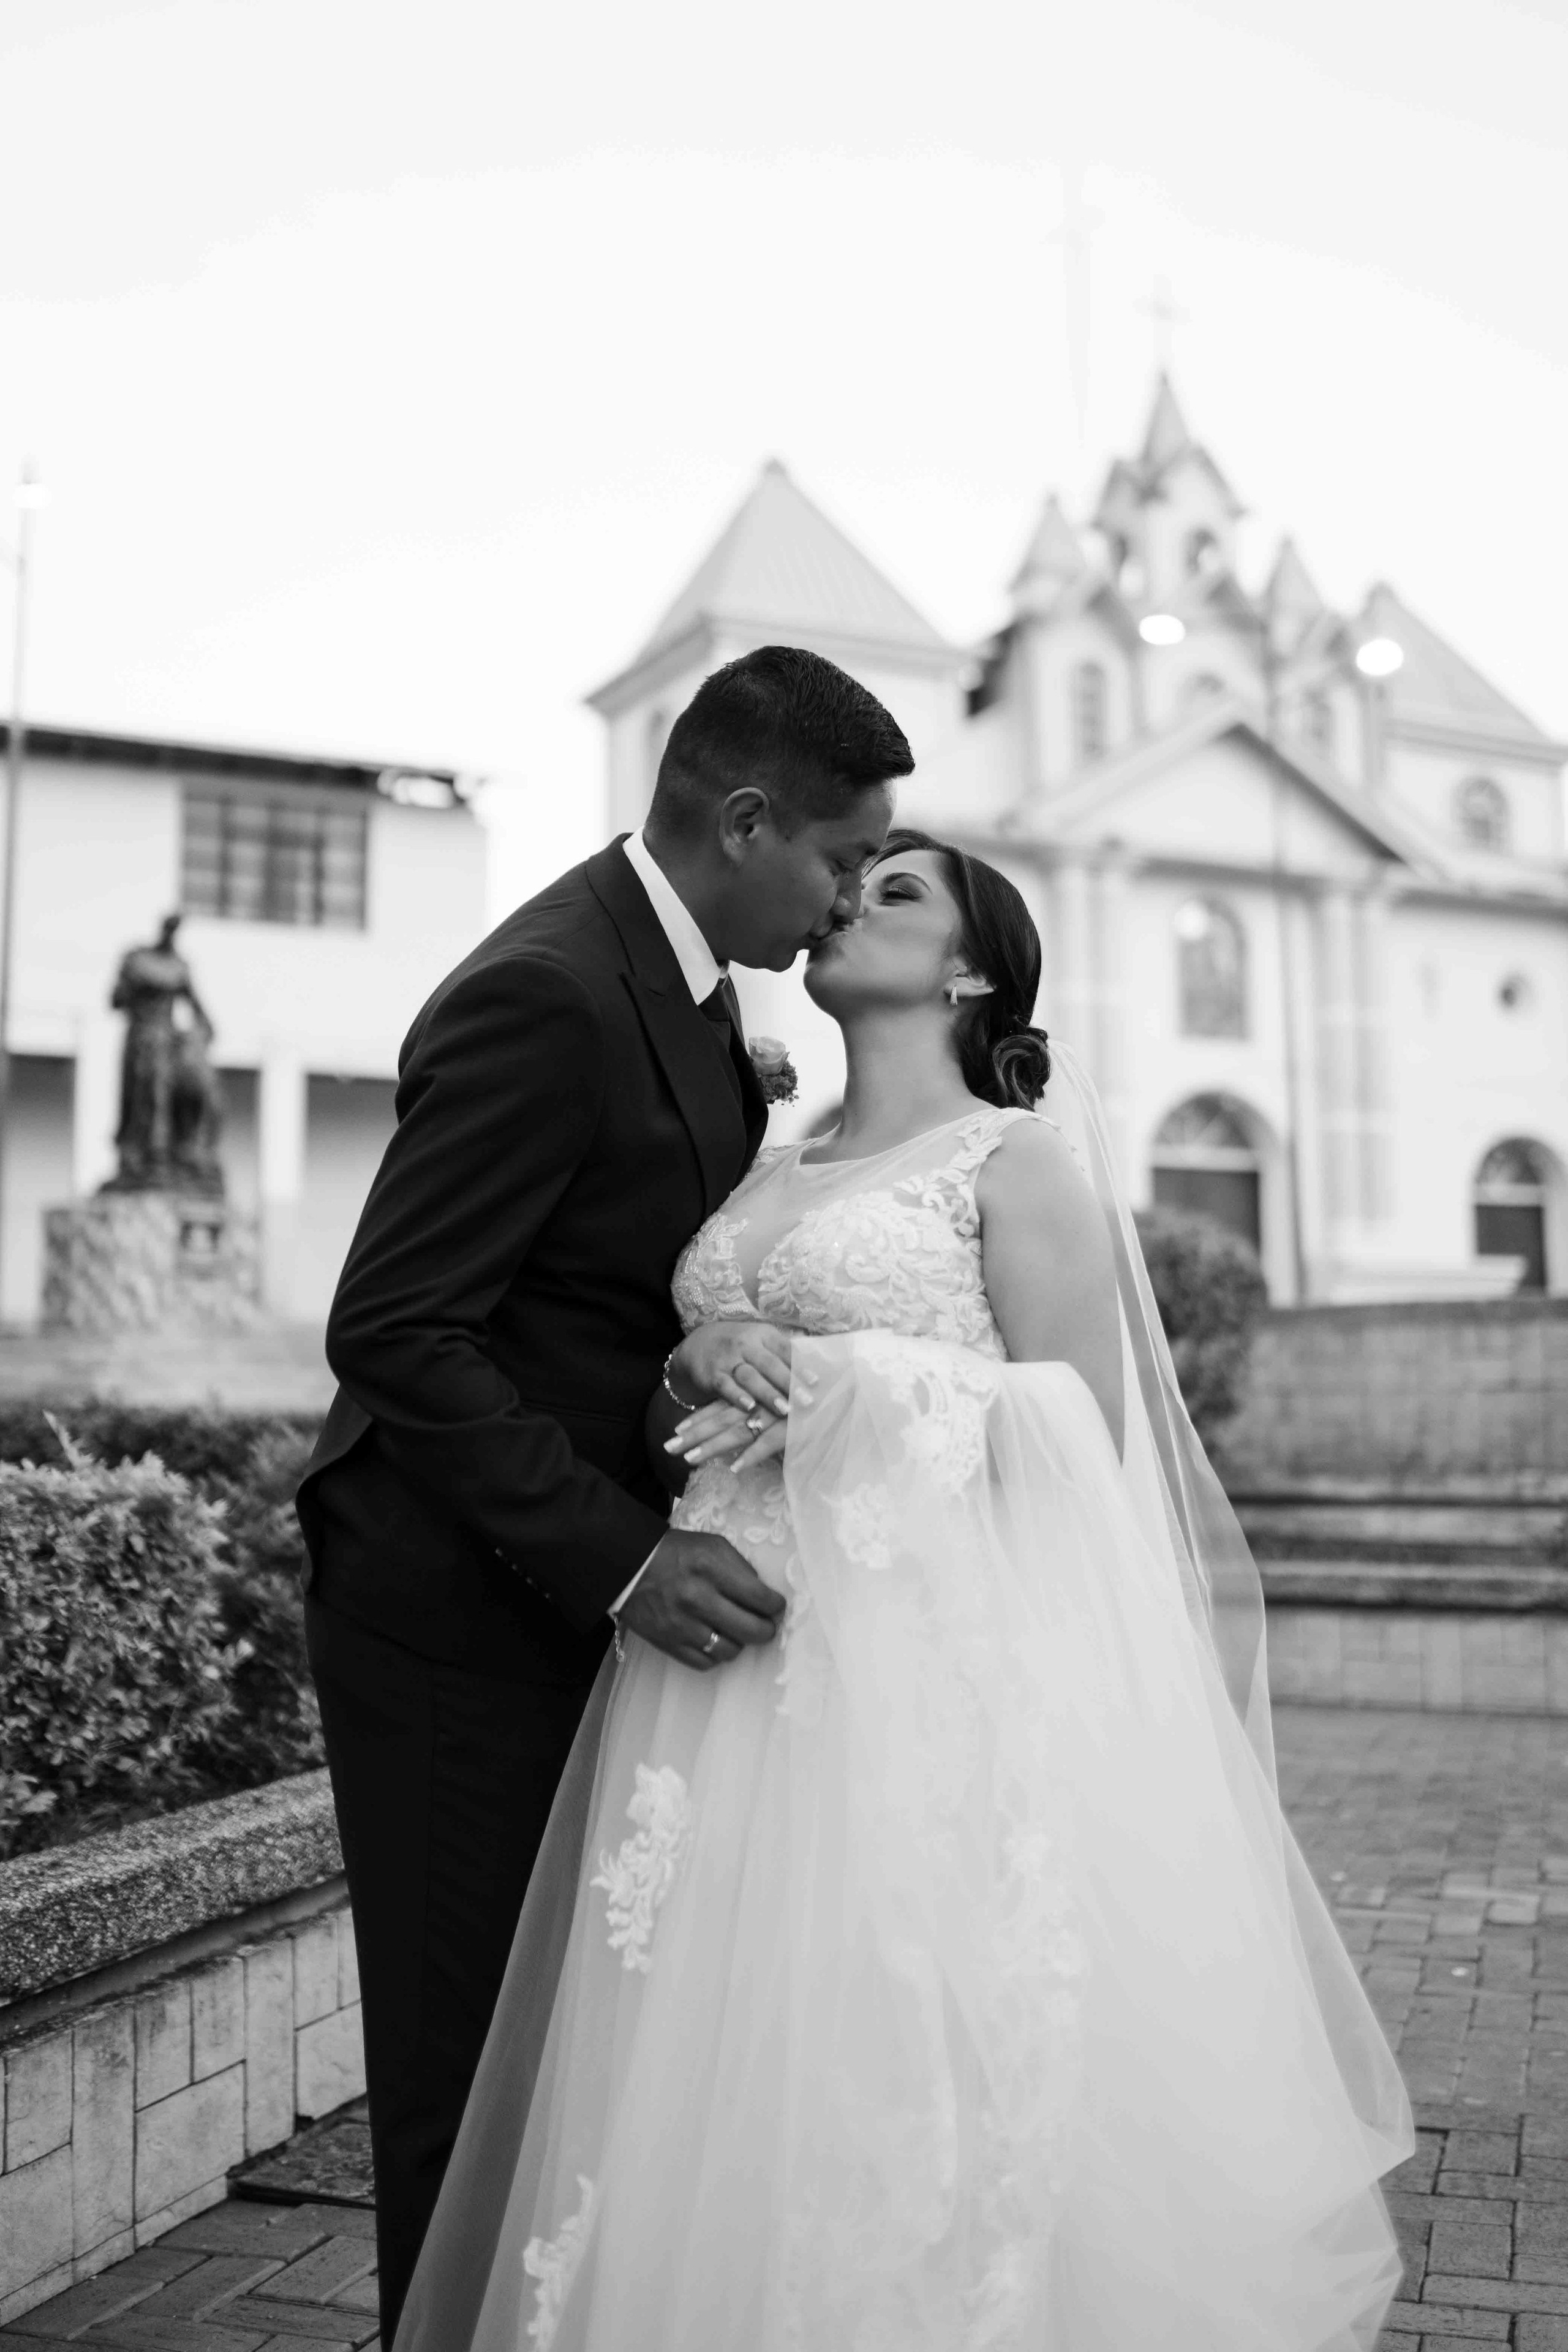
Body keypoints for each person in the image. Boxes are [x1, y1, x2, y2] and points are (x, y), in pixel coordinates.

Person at [395, 829, 1414, 2352]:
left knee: (895, 2056)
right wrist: (692, 1353)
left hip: (906, 1681)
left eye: (897, 891)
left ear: (966, 970)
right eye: (849, 877)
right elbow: (687, 1361)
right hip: (708, 1676)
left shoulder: (1014, 1165)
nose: (847, 900)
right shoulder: (760, 1166)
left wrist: (846, 1378)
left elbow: (1081, 1438)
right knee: (708, 2061)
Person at [294, 646, 911, 2348]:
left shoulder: (710, 1001)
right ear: (744, 818)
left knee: (571, 2062)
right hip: (444, 1613)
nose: (857, 892)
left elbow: (614, 1303)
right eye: (846, 856)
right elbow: (399, 1326)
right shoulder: (550, 987)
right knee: (463, 2058)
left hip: (563, 1598)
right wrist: (629, 1561)